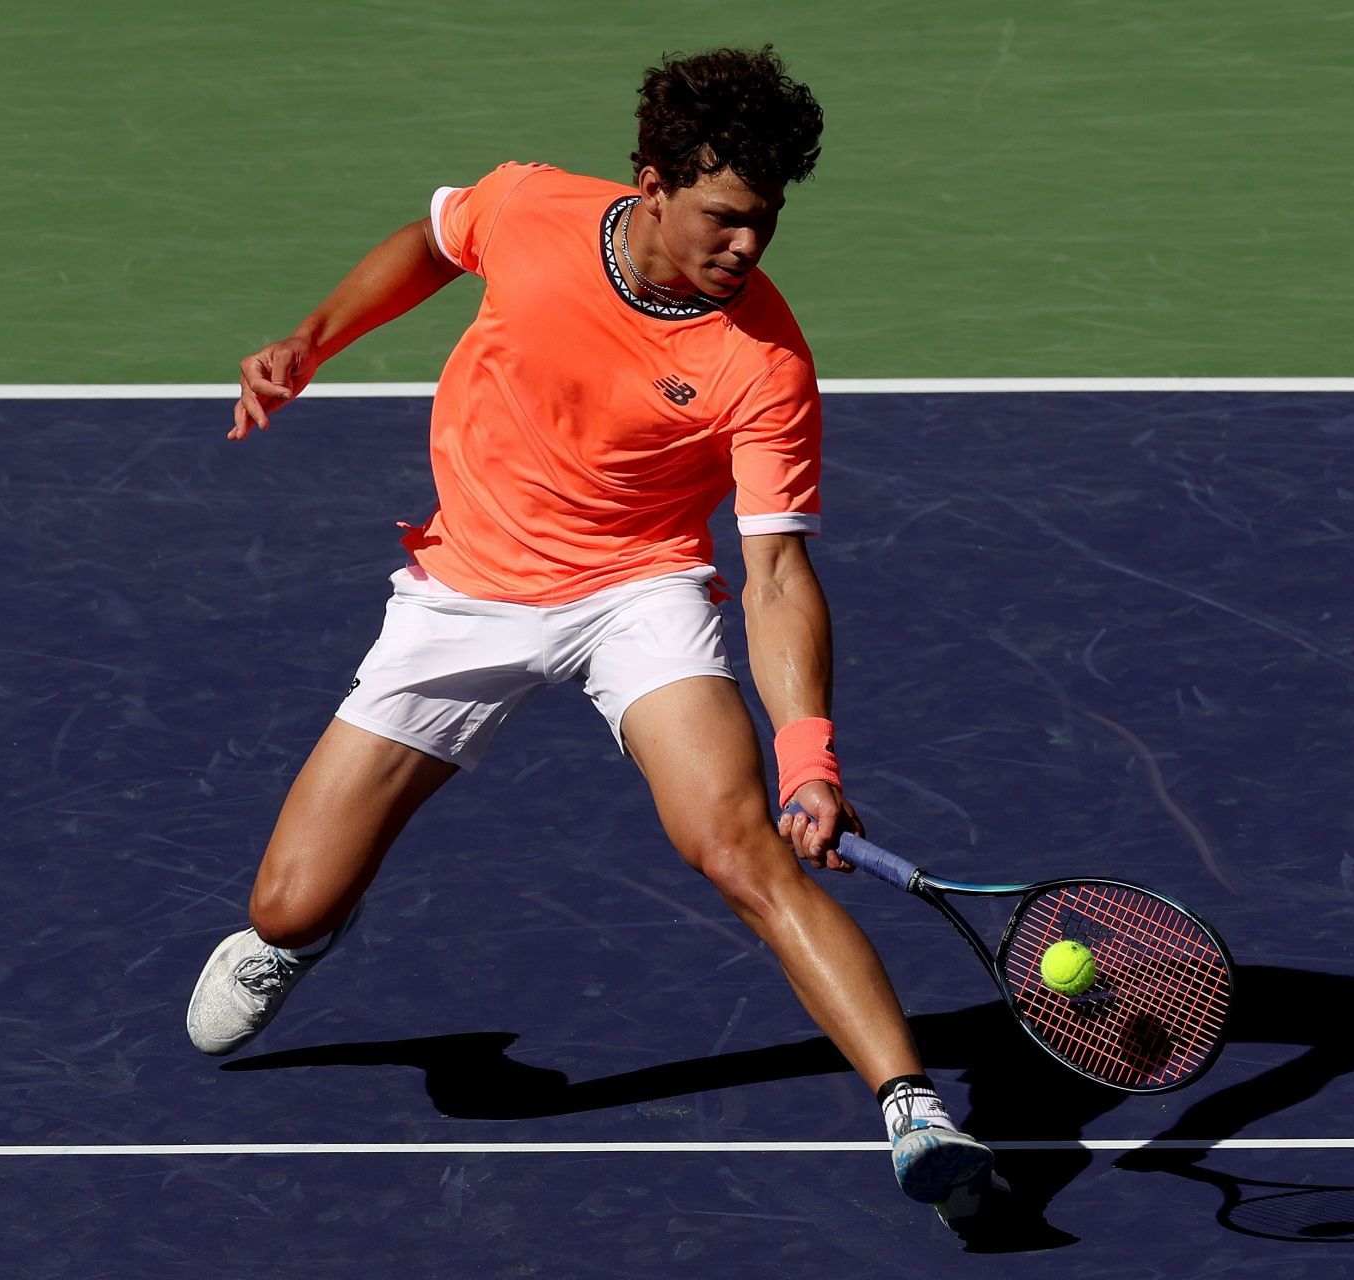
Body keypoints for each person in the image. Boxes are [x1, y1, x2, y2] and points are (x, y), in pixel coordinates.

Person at [185, 46, 1004, 1225]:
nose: (748, 248)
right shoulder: (528, 207)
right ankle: (309, 932)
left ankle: (917, 1111)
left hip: (640, 589)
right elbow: (430, 243)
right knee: (286, 906)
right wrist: (310, 342)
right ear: (652, 180)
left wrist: (810, 757)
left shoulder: (765, 361)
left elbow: (773, 569)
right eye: (725, 217)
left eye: (767, 223)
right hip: (464, 587)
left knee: (735, 844)